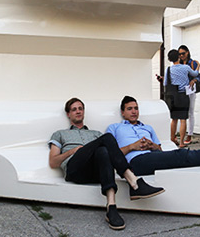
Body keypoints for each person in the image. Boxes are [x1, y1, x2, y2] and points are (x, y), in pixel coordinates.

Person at [48, 98, 165, 230]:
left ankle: (111, 207)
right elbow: (53, 162)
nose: (78, 111)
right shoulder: (60, 134)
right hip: (75, 170)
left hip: (95, 172)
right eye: (74, 109)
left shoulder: (95, 134)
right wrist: (72, 151)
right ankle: (134, 182)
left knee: (103, 151)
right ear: (68, 114)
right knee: (107, 138)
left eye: (80, 108)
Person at [106, 96, 200, 177]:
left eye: (136, 108)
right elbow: (110, 154)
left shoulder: (147, 128)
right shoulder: (114, 128)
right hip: (135, 163)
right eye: (130, 109)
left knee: (181, 156)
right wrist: (133, 146)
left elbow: (160, 151)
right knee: (182, 154)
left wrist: (153, 146)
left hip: (151, 158)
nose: (134, 112)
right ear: (123, 112)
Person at [164, 49, 198, 148]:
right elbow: (195, 74)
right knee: (183, 119)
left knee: (174, 119)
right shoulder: (186, 67)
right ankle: (182, 142)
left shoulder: (168, 70)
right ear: (178, 57)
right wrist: (198, 66)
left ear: (170, 59)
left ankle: (172, 139)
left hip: (173, 96)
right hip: (183, 95)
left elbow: (165, 83)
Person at [178, 45, 200, 145]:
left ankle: (189, 134)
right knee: (181, 113)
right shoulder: (178, 63)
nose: (181, 56)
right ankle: (181, 134)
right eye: (179, 54)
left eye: (183, 53)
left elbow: (198, 76)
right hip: (181, 91)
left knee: (190, 112)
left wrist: (194, 80)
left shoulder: (193, 63)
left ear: (187, 52)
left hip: (190, 90)